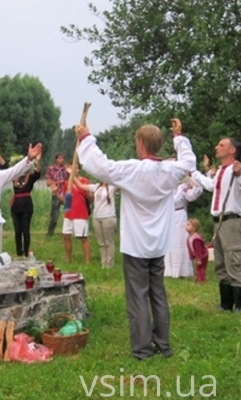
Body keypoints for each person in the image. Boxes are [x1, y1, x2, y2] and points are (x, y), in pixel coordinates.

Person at [74, 118, 195, 360]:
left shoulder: (132, 169)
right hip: (159, 243)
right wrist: (179, 138)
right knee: (158, 293)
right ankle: (163, 345)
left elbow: (100, 166)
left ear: (140, 143)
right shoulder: (171, 171)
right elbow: (189, 161)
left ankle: (142, 350)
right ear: (158, 144)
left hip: (137, 244)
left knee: (138, 296)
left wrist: (86, 138)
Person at [191, 137, 241, 312]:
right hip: (218, 221)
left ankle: (239, 306)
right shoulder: (220, 171)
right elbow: (211, 186)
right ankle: (226, 304)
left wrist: (240, 174)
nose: (216, 147)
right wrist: (193, 173)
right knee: (221, 262)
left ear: (232, 150)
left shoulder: (239, 170)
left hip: (232, 221)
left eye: (221, 145)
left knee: (234, 261)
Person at [74, 179, 119, 268]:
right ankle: (103, 263)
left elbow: (122, 184)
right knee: (101, 243)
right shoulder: (96, 187)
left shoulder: (112, 187)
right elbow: (81, 186)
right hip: (97, 217)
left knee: (108, 242)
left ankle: (109, 264)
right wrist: (73, 175)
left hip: (108, 217)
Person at [163, 179, 203, 277]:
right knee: (170, 242)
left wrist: (194, 184)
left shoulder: (183, 188)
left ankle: (182, 271)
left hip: (180, 216)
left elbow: (192, 196)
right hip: (169, 216)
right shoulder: (167, 188)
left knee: (179, 240)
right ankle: (170, 270)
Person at [53, 165, 92, 264]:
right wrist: (56, 193)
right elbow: (66, 201)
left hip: (81, 214)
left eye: (76, 168)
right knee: (66, 236)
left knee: (83, 238)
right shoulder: (67, 184)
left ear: (79, 170)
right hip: (69, 214)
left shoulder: (84, 181)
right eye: (72, 168)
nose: (74, 170)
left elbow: (90, 198)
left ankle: (87, 261)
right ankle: (68, 258)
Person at [9, 152, 41, 259]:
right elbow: (4, 168)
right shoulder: (14, 178)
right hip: (15, 206)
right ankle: (19, 252)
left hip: (27, 206)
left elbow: (38, 172)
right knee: (17, 230)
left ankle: (26, 253)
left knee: (25, 230)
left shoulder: (30, 178)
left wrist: (37, 161)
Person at [45, 152, 69, 237]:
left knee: (69, 213)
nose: (61, 160)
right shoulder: (51, 169)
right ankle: (50, 234)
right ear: (56, 159)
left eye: (62, 158)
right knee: (54, 216)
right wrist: (59, 182)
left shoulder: (66, 169)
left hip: (66, 193)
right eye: (59, 158)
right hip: (56, 193)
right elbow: (48, 183)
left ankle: (69, 232)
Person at [186, 218, 208, 283]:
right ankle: (199, 277)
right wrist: (192, 256)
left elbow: (198, 249)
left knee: (200, 267)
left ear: (194, 228)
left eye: (188, 225)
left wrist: (199, 259)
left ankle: (201, 280)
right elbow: (190, 248)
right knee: (198, 267)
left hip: (203, 254)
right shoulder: (189, 237)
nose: (186, 226)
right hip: (198, 255)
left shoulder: (196, 239)